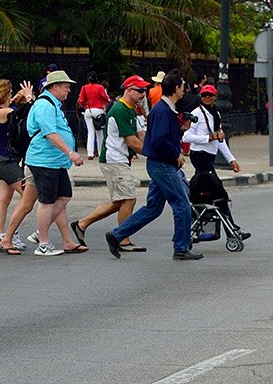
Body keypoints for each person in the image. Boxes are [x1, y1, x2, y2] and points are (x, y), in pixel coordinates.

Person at [106, 71, 201, 260]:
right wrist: (176, 154)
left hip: (159, 164)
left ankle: (117, 234)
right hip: (163, 165)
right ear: (176, 89)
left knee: (154, 208)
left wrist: (180, 131)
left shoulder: (164, 109)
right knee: (181, 204)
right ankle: (181, 248)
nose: (184, 91)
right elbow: (158, 140)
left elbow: (162, 136)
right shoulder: (163, 111)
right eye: (182, 87)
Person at [71, 75, 149, 253]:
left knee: (121, 200)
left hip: (119, 160)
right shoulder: (120, 110)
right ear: (128, 90)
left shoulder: (131, 108)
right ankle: (123, 239)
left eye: (144, 91)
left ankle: (82, 224)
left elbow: (140, 135)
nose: (143, 94)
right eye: (140, 90)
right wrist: (154, 154)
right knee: (129, 198)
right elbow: (132, 141)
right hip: (114, 160)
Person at [23, 69, 85, 256]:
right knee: (47, 201)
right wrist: (70, 153)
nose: (68, 90)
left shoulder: (53, 103)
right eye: (66, 86)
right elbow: (50, 133)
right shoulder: (45, 105)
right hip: (44, 160)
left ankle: (40, 232)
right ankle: (43, 243)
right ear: (55, 86)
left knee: (64, 196)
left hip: (55, 162)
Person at [183, 83, 248, 238]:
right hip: (200, 156)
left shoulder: (216, 114)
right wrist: (208, 137)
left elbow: (220, 140)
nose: (207, 98)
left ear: (215, 97)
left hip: (209, 156)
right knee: (219, 193)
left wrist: (231, 160)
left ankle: (199, 229)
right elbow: (186, 137)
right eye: (204, 95)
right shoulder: (197, 114)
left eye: (210, 95)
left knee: (207, 194)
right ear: (201, 96)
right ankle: (232, 230)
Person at [0, 78, 33, 253]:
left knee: (5, 198)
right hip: (6, 161)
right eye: (11, 93)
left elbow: (14, 108)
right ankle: (11, 235)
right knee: (26, 195)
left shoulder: (2, 109)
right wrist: (28, 99)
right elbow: (21, 114)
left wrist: (18, 98)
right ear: (5, 95)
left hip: (3, 159)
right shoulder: (4, 112)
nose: (12, 95)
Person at [76, 70, 111, 159]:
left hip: (88, 110)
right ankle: (100, 152)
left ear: (88, 79)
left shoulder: (84, 87)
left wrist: (85, 106)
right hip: (99, 110)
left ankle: (90, 154)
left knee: (90, 132)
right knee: (100, 133)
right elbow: (106, 99)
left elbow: (81, 100)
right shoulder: (100, 87)